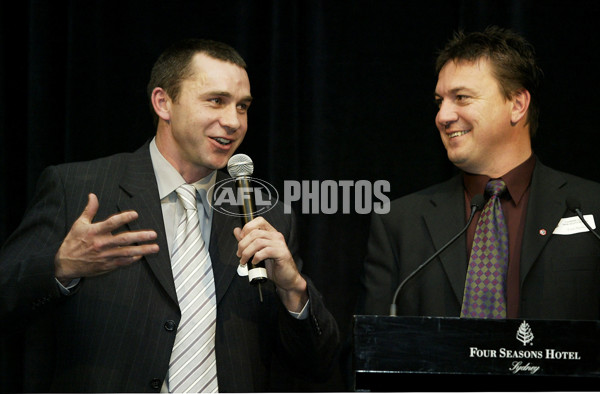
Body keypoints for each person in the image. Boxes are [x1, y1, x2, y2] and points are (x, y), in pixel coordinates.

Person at [0, 38, 339, 392]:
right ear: (164, 103)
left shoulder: (264, 215)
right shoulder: (79, 189)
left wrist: (293, 290)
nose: (234, 122)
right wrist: (60, 268)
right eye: (217, 101)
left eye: (243, 106)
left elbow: (319, 365)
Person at [359, 26, 600, 320]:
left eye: (461, 97)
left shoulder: (592, 208)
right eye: (439, 101)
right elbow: (369, 352)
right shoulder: (399, 223)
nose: (442, 116)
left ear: (517, 104)